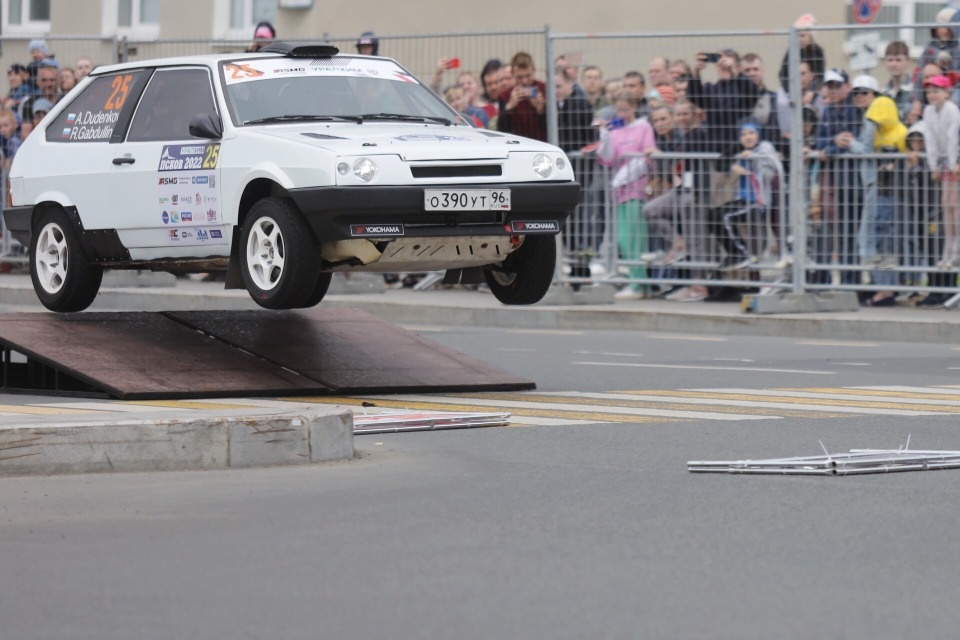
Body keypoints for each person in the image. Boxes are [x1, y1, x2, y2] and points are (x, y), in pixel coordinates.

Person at [848, 76, 905, 307]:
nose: (859, 96)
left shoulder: (876, 113)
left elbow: (867, 149)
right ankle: (884, 288)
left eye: (864, 92)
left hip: (878, 184)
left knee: (873, 238)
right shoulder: (876, 114)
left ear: (874, 94)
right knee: (880, 238)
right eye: (856, 93)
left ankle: (884, 290)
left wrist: (849, 143)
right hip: (877, 183)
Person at [596, 93, 657, 300]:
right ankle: (637, 281)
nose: (622, 114)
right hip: (619, 192)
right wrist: (604, 137)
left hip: (636, 189)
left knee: (635, 239)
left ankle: (638, 283)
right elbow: (608, 159)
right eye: (619, 110)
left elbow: (646, 157)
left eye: (625, 109)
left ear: (634, 108)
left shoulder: (644, 127)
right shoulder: (617, 130)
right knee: (623, 239)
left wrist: (625, 177)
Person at [705, 119, 783, 271]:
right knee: (712, 215)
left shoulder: (765, 148)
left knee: (723, 216)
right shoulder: (739, 149)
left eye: (751, 133)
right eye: (743, 134)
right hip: (743, 200)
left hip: (758, 202)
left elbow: (769, 172)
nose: (747, 137)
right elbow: (720, 164)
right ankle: (735, 252)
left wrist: (753, 158)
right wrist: (732, 165)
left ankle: (740, 253)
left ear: (758, 134)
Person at [815, 68, 862, 286]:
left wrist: (831, 148)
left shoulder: (856, 109)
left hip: (855, 180)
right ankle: (844, 281)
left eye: (837, 86)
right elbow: (821, 142)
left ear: (847, 86)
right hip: (836, 181)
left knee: (852, 232)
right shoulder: (827, 111)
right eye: (829, 86)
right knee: (840, 231)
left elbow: (850, 143)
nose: (832, 91)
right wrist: (833, 144)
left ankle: (852, 282)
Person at [555, 71, 598, 283]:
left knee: (580, 219)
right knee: (570, 220)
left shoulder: (579, 104)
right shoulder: (556, 106)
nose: (555, 91)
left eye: (558, 86)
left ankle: (582, 267)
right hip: (566, 169)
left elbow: (587, 137)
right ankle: (574, 265)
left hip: (578, 169)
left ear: (570, 85)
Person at [688, 48, 763, 152]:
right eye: (720, 64)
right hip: (715, 148)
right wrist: (695, 72)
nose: (724, 67)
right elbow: (694, 97)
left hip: (739, 149)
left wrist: (736, 73)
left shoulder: (742, 87)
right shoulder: (710, 89)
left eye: (727, 65)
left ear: (737, 67)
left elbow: (753, 93)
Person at [921, 74, 960, 269]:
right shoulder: (928, 111)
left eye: (936, 90)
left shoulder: (952, 111)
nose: (932, 95)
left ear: (947, 92)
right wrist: (934, 166)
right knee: (947, 206)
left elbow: (954, 138)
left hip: (956, 161)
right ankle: (949, 249)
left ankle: (956, 250)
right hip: (946, 163)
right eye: (929, 91)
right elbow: (930, 140)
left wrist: (954, 165)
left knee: (955, 206)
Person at [496, 52, 546, 141]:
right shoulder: (505, 95)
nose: (524, 81)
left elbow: (554, 127)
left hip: (541, 144)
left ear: (534, 71)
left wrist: (541, 111)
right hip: (516, 145)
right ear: (512, 74)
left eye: (528, 76)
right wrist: (509, 107)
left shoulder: (544, 90)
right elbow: (501, 129)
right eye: (519, 77)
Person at [778, 13, 825, 93]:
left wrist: (813, 92)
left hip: (812, 91)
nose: (799, 39)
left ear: (811, 37)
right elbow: (783, 75)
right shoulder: (791, 51)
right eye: (797, 36)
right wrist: (790, 93)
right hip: (793, 90)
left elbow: (820, 75)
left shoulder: (817, 51)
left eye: (802, 36)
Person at [883, 41, 915, 124]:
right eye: (890, 60)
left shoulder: (915, 90)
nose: (894, 64)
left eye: (898, 60)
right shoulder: (883, 93)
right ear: (885, 62)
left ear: (908, 61)